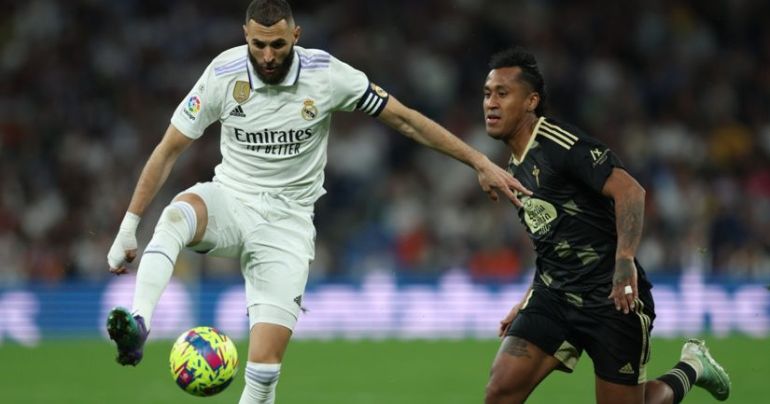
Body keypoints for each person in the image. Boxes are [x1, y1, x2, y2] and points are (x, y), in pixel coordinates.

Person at [104, 1, 530, 403]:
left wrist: (477, 160)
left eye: (278, 45)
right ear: (245, 37)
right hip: (230, 199)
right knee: (178, 213)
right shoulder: (222, 73)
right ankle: (140, 322)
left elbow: (404, 119)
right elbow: (168, 149)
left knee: (264, 371)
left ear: (296, 35)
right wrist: (128, 228)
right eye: (258, 45)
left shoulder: (327, 75)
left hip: (287, 225)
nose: (268, 56)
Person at [482, 47, 731, 404]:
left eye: (502, 93)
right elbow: (551, 243)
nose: (491, 103)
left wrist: (625, 259)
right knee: (499, 392)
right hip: (555, 296)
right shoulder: (512, 169)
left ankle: (692, 366)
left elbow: (631, 191)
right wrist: (525, 302)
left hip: (612, 299)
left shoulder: (561, 144)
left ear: (531, 101)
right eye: (487, 93)